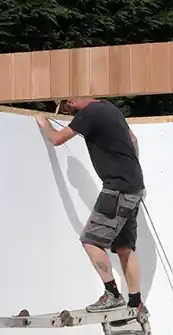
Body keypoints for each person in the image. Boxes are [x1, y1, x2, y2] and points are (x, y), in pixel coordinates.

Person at [36, 98, 147, 320]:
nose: (68, 111)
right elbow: (134, 141)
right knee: (124, 247)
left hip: (116, 188)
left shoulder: (89, 113)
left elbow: (57, 139)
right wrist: (130, 169)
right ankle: (136, 304)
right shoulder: (110, 108)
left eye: (66, 107)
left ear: (71, 100)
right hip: (134, 187)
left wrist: (43, 122)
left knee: (90, 239)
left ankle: (112, 294)